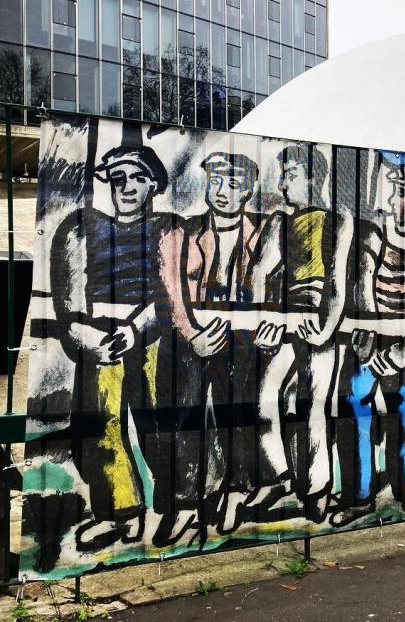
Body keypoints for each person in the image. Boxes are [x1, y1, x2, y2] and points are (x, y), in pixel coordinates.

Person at [49, 140, 168, 550]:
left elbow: (173, 295)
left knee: (158, 422)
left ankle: (175, 503)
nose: (127, 186)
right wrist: (87, 337)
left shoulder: (168, 229)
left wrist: (136, 329)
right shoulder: (82, 227)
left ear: (153, 184)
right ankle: (123, 513)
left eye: (137, 178)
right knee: (103, 426)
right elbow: (68, 303)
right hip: (99, 336)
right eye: (118, 179)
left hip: (152, 334)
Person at [155, 151, 279, 539]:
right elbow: (170, 291)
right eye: (216, 181)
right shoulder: (181, 232)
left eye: (234, 183)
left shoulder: (265, 234)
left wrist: (272, 324)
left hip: (243, 339)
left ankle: (238, 492)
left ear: (249, 191)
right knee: (184, 417)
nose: (223, 190)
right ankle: (184, 504)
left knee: (240, 414)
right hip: (190, 338)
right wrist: (192, 334)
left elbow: (278, 286)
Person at [332, 154, 405, 527]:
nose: (393, 200)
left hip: (403, 354)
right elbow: (363, 289)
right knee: (357, 411)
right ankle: (360, 496)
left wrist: (400, 353)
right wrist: (372, 343)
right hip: (371, 348)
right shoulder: (374, 238)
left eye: (403, 192)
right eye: (392, 191)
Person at [255, 144, 353, 522]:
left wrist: (325, 328)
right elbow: (260, 273)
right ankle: (281, 479)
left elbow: (337, 282)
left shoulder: (337, 221)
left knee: (312, 409)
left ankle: (315, 492)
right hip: (284, 322)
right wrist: (266, 316)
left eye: (290, 176)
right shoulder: (280, 223)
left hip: (318, 325)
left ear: (314, 178)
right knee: (264, 401)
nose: (282, 185)